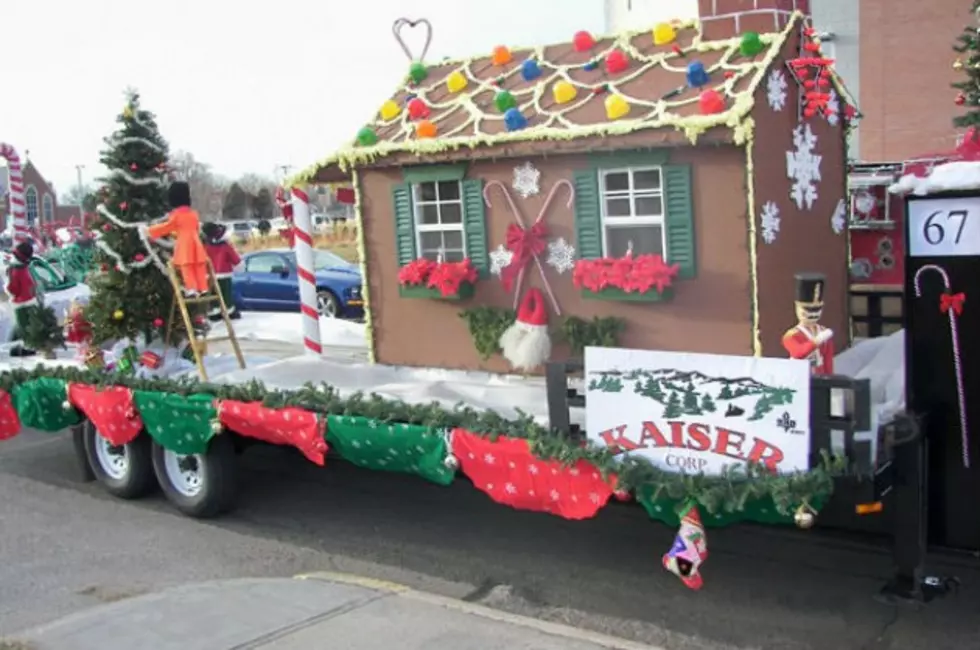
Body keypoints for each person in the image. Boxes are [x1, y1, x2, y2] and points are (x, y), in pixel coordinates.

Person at [146, 182, 209, 296]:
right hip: (196, 242)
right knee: (199, 266)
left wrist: (150, 230)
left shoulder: (176, 215)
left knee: (187, 266)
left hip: (185, 243)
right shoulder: (194, 214)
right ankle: (203, 287)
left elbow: (167, 227)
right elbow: (194, 227)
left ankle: (192, 288)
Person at [201, 222, 242, 320]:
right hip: (224, 273)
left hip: (209, 274)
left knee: (214, 294)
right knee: (226, 293)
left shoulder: (206, 246)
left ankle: (215, 312)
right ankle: (229, 311)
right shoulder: (225, 246)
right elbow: (235, 259)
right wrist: (239, 266)